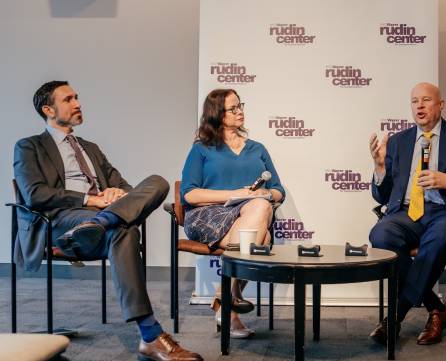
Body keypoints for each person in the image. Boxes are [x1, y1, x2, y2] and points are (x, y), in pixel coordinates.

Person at [13, 81, 202, 361]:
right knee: (123, 229)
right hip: (63, 222)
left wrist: (117, 194)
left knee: (156, 183)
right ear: (48, 109)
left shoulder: (91, 148)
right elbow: (34, 193)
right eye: (68, 99)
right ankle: (150, 335)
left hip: (97, 223)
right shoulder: (30, 146)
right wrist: (91, 200)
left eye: (77, 97)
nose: (77, 103)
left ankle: (103, 222)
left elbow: (127, 188)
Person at [367, 82, 446, 345]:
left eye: (426, 100)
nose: (420, 106)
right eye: (415, 101)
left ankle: (395, 318)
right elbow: (382, 196)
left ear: (441, 105)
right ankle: (436, 308)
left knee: (437, 238)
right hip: (408, 213)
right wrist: (380, 168)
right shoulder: (399, 142)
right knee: (381, 234)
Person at [180, 88, 284, 339]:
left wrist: (263, 195)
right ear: (217, 114)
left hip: (247, 217)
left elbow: (278, 190)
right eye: (233, 108)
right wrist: (236, 193)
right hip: (207, 216)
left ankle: (223, 301)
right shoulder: (202, 149)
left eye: (241, 106)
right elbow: (190, 194)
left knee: (261, 210)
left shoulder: (257, 148)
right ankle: (229, 300)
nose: (240, 112)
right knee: (262, 241)